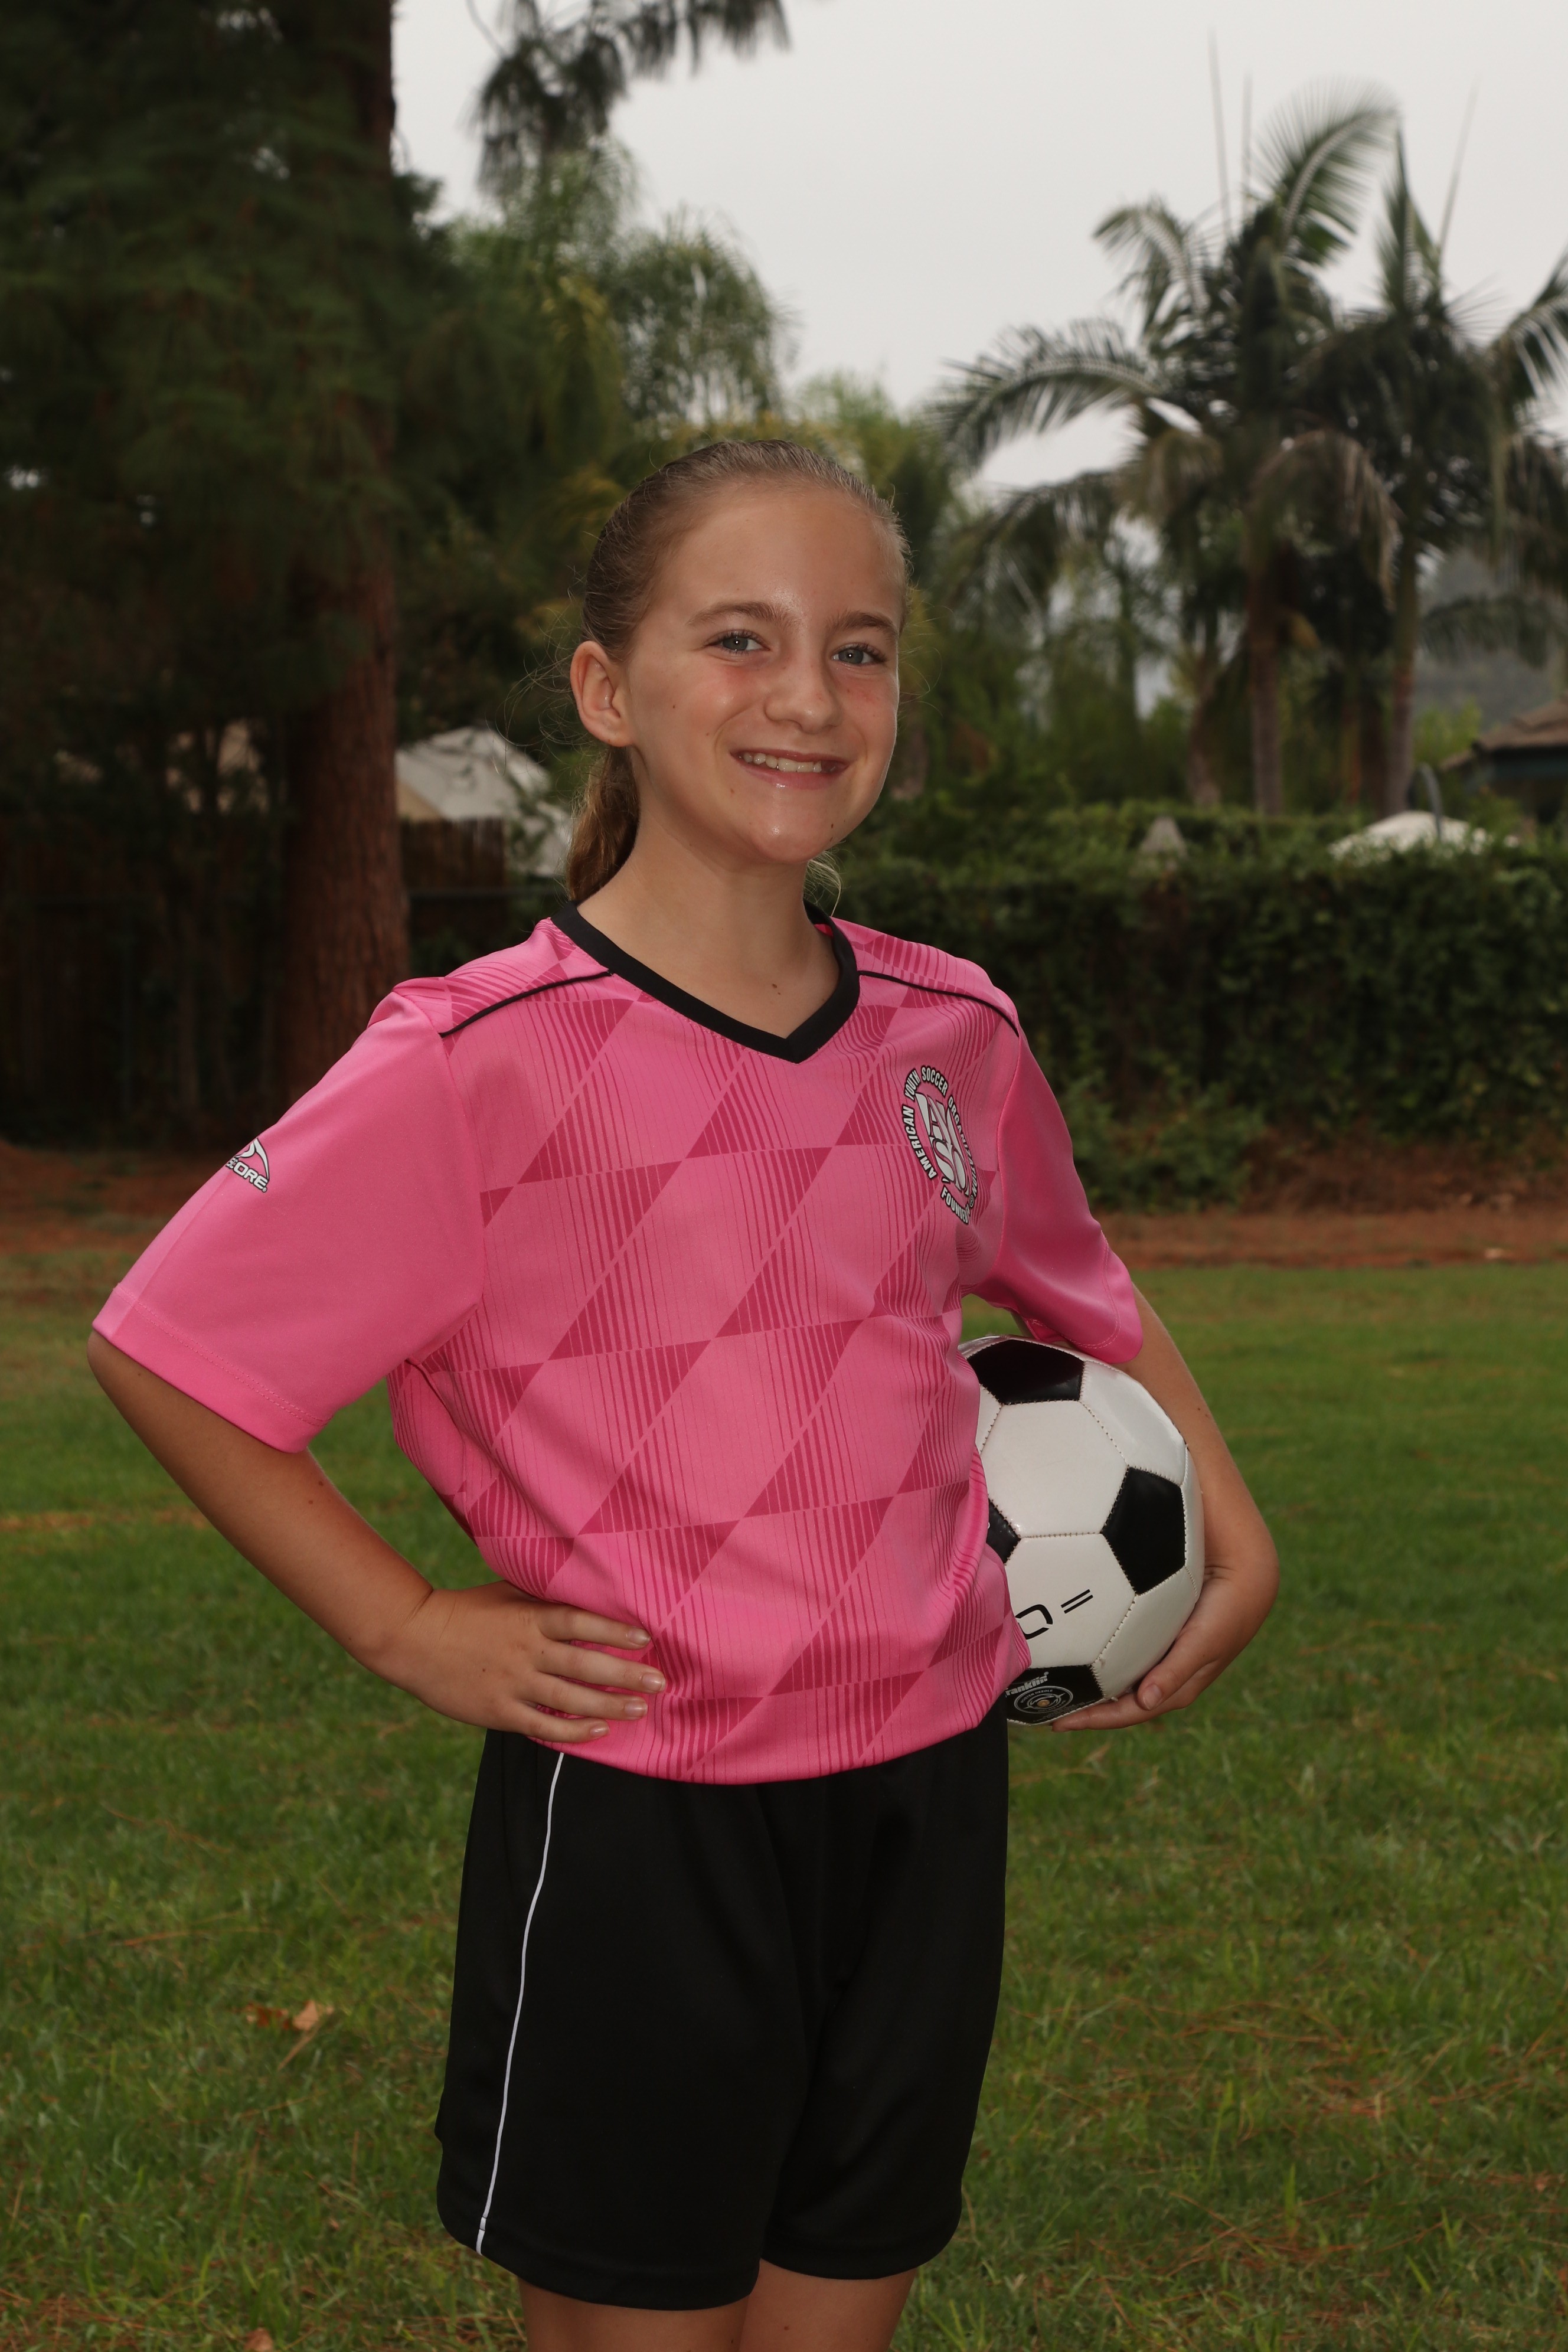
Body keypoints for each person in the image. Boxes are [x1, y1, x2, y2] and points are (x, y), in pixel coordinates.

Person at [89, 440, 1279, 2352]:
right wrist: (402, 1624)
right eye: (740, 638)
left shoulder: (953, 1032)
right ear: (605, 689)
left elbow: (1080, 1288)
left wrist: (1231, 1514)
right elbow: (173, 1347)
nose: (808, 694)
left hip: (927, 1797)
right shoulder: (477, 1058)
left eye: (859, 648)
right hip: (646, 1813)